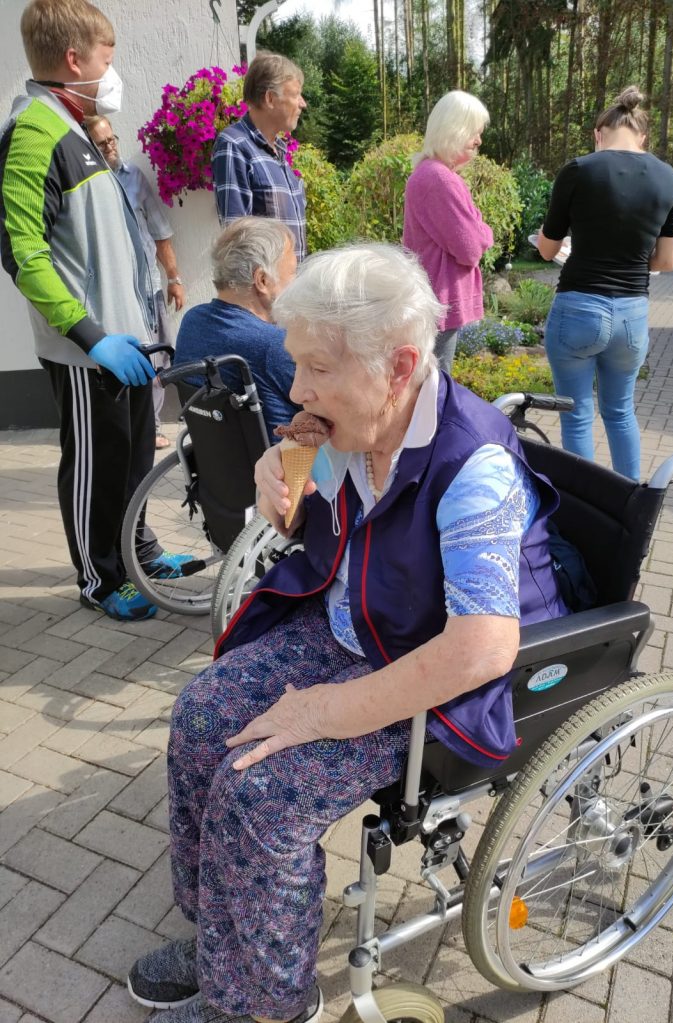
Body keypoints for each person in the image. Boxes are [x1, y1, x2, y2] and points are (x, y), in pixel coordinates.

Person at [127, 242, 570, 1023]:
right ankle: (223, 944)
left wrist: (323, 711)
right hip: (349, 628)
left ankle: (266, 1004)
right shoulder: (352, 426)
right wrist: (273, 460)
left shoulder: (475, 468)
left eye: (318, 369)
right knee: (201, 715)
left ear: (399, 366)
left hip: (430, 678)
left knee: (260, 793)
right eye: (296, 365)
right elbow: (300, 484)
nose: (297, 388)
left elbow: (481, 648)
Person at [0, 0, 183, 622]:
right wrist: (89, 335)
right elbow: (22, 253)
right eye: (108, 58)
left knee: (131, 455)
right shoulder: (35, 133)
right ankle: (98, 578)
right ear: (73, 60)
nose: (113, 70)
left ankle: (137, 554)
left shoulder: (78, 131)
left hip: (126, 339)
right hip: (88, 348)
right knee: (95, 462)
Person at [537, 85, 673, 481]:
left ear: (599, 134)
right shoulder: (667, 177)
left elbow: (548, 250)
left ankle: (586, 516)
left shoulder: (579, 170)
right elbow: (667, 261)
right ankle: (630, 510)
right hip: (632, 314)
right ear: (643, 136)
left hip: (579, 308)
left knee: (578, 414)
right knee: (621, 413)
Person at [84, 113, 186, 449]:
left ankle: (151, 424)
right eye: (102, 143)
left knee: (159, 357)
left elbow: (160, 232)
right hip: (114, 295)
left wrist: (175, 278)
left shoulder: (133, 177)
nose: (111, 146)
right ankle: (144, 428)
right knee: (133, 359)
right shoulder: (90, 187)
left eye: (112, 139)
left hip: (148, 290)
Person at [174, 217, 301, 438]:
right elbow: (330, 407)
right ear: (262, 279)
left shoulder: (192, 322)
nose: (297, 281)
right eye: (292, 272)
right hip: (284, 467)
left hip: (218, 467)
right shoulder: (272, 344)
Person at [403, 90, 494, 373]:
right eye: (473, 132)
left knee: (431, 386)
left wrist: (478, 229)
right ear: (453, 129)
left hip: (432, 298)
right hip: (438, 300)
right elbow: (470, 248)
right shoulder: (439, 178)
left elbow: (472, 232)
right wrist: (484, 232)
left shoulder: (435, 174)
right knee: (435, 389)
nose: (479, 140)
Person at [212, 50, 307, 262]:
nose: (302, 104)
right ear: (270, 99)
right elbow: (237, 244)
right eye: (295, 95)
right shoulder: (234, 146)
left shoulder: (279, 152)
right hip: (266, 293)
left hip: (291, 291)